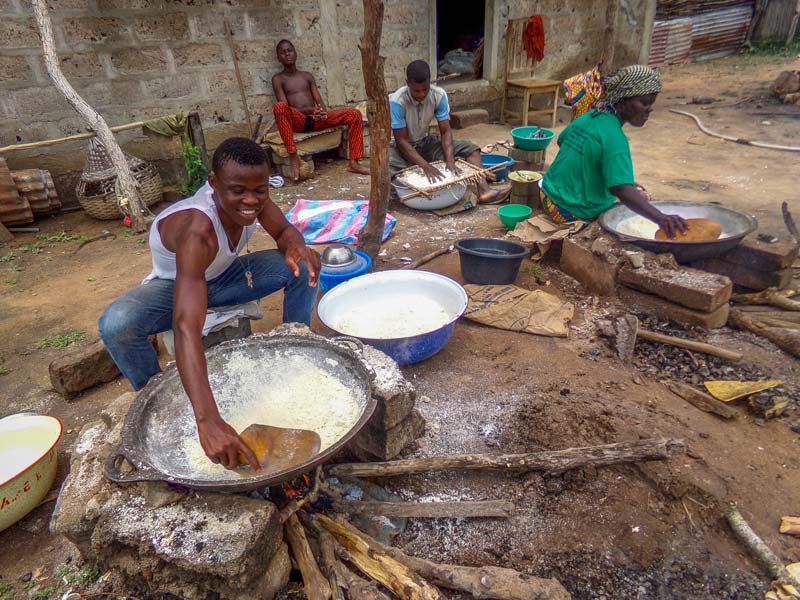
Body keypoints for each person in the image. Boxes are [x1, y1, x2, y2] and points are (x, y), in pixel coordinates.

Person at [99, 137, 321, 471]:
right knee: (116, 324)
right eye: (237, 191)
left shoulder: (256, 198)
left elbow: (285, 230)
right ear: (213, 184)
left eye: (259, 190)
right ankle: (158, 400)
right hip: (176, 286)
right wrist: (208, 420)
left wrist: (295, 247)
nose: (250, 201)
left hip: (226, 278)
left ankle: (298, 354)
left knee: (304, 266)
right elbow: (186, 325)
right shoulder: (197, 230)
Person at [540, 65, 687, 238]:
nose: (649, 109)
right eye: (644, 103)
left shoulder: (590, 116)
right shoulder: (615, 139)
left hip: (547, 196)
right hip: (570, 212)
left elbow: (562, 140)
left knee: (631, 186)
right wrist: (661, 218)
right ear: (623, 101)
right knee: (641, 195)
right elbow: (622, 190)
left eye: (651, 104)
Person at [389, 60, 511, 204]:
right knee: (390, 166)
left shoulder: (438, 95)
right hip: (402, 148)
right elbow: (401, 141)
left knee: (471, 150)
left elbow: (445, 131)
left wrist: (450, 160)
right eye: (417, 90)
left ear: (430, 83)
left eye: (425, 89)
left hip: (425, 142)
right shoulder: (397, 101)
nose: (421, 94)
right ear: (407, 83)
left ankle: (485, 191)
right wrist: (426, 166)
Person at [272, 39, 369, 181]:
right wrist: (311, 110)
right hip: (298, 121)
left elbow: (321, 104)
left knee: (354, 114)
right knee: (279, 108)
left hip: (316, 119)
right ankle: (294, 156)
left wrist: (321, 112)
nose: (287, 54)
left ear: (295, 52)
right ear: (278, 57)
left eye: (289, 50)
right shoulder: (278, 79)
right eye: (283, 52)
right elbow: (285, 108)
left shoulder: (307, 76)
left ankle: (354, 162)